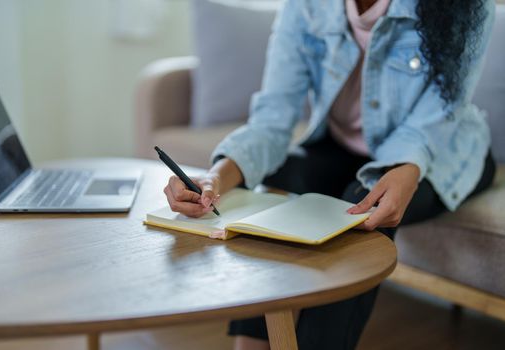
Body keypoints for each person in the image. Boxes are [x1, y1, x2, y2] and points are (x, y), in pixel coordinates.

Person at [163, 0, 497, 349]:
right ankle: (252, 344)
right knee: (277, 183)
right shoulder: (306, 6)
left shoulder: (468, 6)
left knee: (360, 209)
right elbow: (273, 116)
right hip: (345, 148)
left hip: (443, 153)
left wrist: (407, 168)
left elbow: (437, 117)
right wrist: (214, 178)